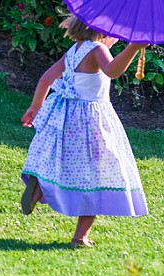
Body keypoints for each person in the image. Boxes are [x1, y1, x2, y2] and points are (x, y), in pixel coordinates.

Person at [20, 15, 149, 247]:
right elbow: (112, 71)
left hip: (68, 118)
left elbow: (46, 79)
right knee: (96, 176)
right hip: (92, 120)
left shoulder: (76, 49)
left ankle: (39, 187)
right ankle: (80, 237)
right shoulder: (98, 49)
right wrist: (133, 48)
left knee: (71, 167)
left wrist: (34, 108)